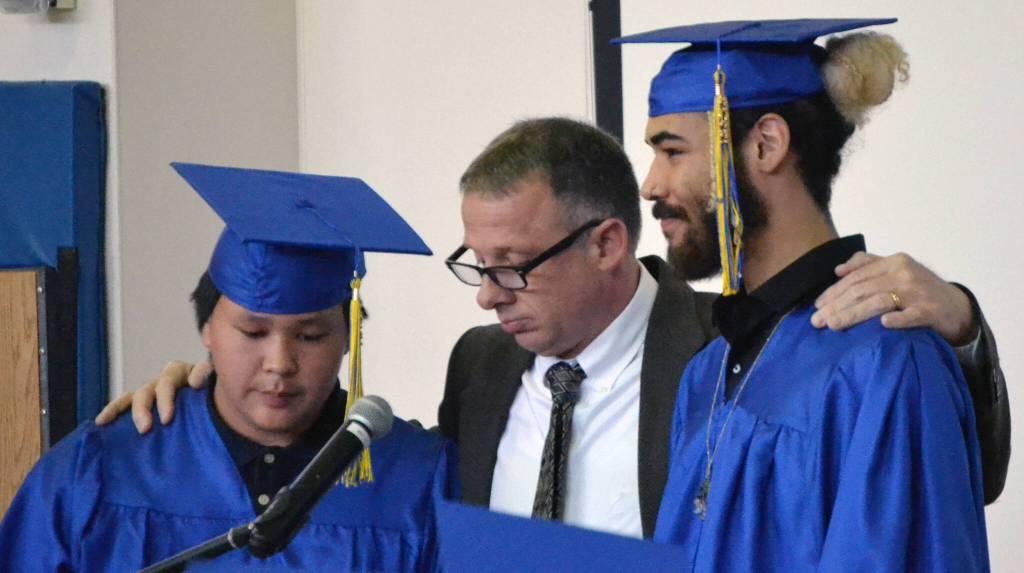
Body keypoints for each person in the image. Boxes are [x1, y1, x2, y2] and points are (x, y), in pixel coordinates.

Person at [102, 115, 1008, 541]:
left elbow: (929, 474)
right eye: (477, 263)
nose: (487, 297)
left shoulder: (727, 353)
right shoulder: (481, 366)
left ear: (606, 243)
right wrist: (208, 398)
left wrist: (963, 330)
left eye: (512, 266)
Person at [615, 19, 989, 570]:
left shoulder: (886, 360)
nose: (650, 184)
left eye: (672, 152)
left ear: (766, 144)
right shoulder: (707, 374)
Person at [0, 163, 456, 571]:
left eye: (310, 336)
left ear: (349, 339)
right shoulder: (100, 470)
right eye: (252, 333)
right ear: (207, 330)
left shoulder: (419, 481)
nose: (279, 363)